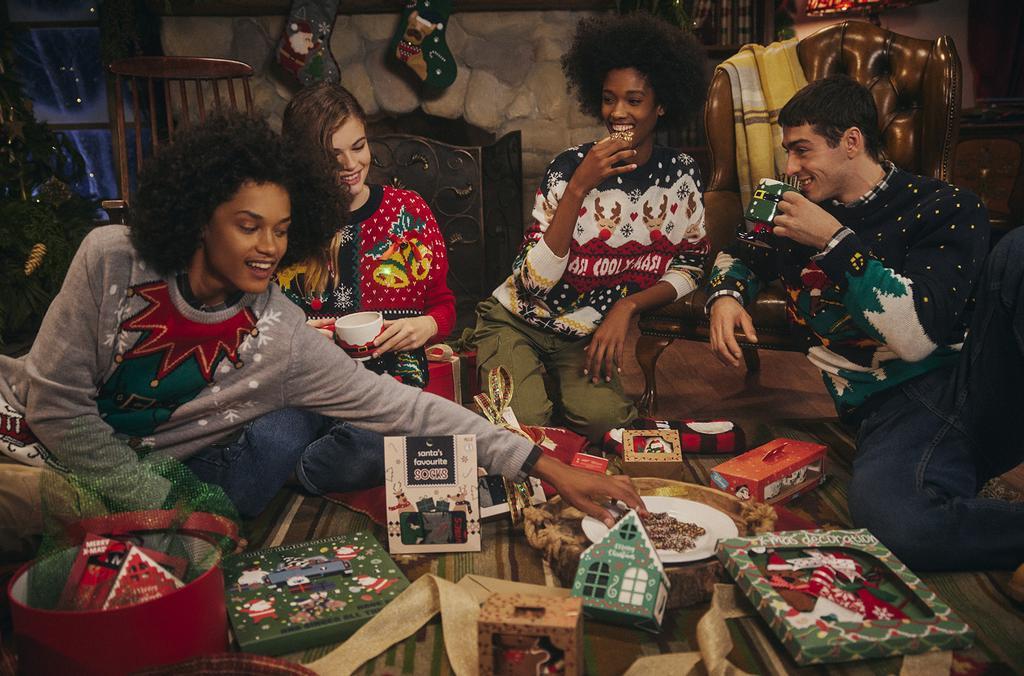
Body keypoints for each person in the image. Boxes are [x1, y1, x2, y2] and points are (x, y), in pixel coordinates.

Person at [0, 113, 642, 529]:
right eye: (247, 225)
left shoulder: (279, 330)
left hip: (154, 471)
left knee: (282, 459)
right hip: (26, 441)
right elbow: (55, 409)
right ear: (199, 216)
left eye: (282, 230)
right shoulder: (112, 258)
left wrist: (546, 466)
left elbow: (405, 409)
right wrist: (164, 509)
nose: (268, 249)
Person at [708, 74, 1023, 572]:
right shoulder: (790, 207)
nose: (790, 167)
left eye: (802, 150)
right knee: (896, 527)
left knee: (1020, 252)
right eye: (787, 152)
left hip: (975, 379)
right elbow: (737, 254)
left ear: (851, 141)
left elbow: (917, 338)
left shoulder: (946, 206)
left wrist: (834, 243)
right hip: (888, 407)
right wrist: (726, 296)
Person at [474, 14, 710, 442]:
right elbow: (533, 283)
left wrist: (627, 307)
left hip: (582, 332)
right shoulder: (568, 168)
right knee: (522, 429)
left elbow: (691, 266)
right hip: (518, 318)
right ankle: (515, 367)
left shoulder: (682, 176)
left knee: (605, 423)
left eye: (634, 100)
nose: (618, 113)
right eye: (608, 99)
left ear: (661, 105)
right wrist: (580, 185)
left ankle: (554, 384)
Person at [278, 82, 454, 390]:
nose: (350, 165)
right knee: (271, 435)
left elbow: (443, 305)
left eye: (358, 146)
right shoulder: (284, 224)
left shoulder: (409, 211)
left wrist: (427, 325)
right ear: (304, 162)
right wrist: (293, 336)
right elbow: (257, 321)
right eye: (333, 157)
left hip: (394, 386)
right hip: (309, 386)